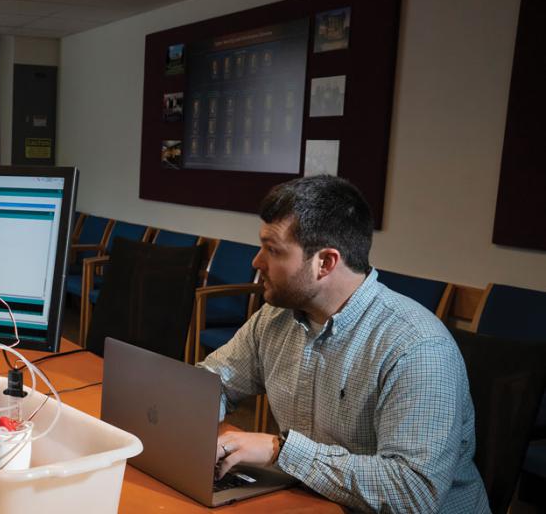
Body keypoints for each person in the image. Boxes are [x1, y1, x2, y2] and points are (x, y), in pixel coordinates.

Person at [200, 175, 488, 512]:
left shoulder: (417, 346)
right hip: (316, 501)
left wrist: (280, 451)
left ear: (325, 262)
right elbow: (213, 383)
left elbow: (413, 492)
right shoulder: (276, 319)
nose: (257, 262)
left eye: (272, 250)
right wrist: (195, 410)